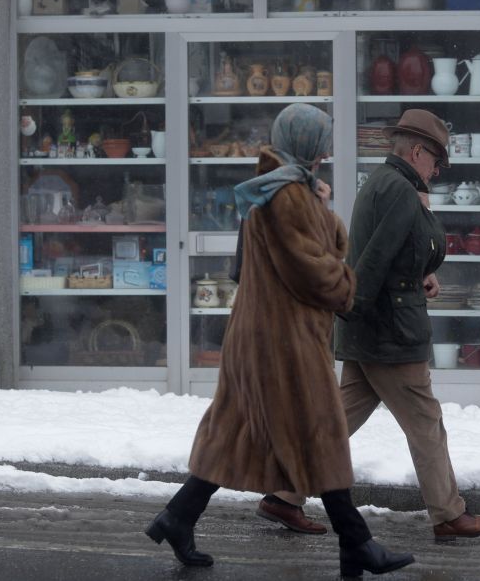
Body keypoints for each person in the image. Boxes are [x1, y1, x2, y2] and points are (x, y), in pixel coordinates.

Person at [145, 103, 415, 578]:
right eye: (323, 141)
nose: (328, 150)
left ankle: (178, 517)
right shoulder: (286, 195)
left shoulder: (282, 191)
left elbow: (305, 249)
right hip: (282, 342)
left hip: (262, 336)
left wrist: (321, 206)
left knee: (235, 431)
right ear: (308, 144)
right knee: (320, 431)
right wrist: (348, 289)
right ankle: (357, 543)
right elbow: (311, 268)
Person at [258, 109, 480, 541]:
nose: (438, 169)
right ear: (417, 152)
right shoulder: (399, 189)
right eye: (436, 161)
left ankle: (283, 495)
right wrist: (354, 308)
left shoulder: (386, 182)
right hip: (389, 333)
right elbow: (373, 260)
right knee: (426, 423)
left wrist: (421, 272)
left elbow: (401, 250)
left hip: (370, 329)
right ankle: (449, 515)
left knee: (335, 422)